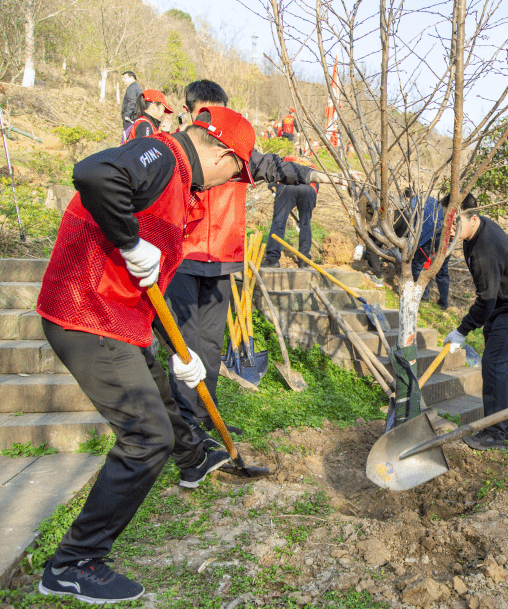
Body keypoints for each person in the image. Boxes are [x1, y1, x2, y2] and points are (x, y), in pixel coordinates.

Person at [34, 106, 256, 603]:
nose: (232, 182)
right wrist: (130, 241)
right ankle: (73, 563)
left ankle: (194, 459)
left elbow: (149, 280)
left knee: (165, 394)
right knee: (146, 435)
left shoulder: (181, 186)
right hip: (85, 312)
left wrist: (180, 351)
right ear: (222, 154)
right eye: (236, 172)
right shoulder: (162, 155)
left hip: (120, 316)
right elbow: (94, 173)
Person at [165, 80, 352, 443]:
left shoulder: (234, 147)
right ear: (189, 112)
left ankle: (208, 417)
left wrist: (315, 174)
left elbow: (271, 165)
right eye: (205, 113)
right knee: (186, 348)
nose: (212, 121)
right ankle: (184, 427)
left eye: (219, 113)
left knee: (209, 347)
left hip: (222, 259)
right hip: (183, 258)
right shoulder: (172, 150)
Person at [443, 192, 508, 450]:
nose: (449, 228)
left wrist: (462, 330)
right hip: (504, 304)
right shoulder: (474, 232)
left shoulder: (486, 247)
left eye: (454, 223)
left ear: (473, 218)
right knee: (504, 365)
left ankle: (494, 433)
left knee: (495, 363)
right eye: (446, 222)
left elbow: (485, 299)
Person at [263, 156, 319, 267]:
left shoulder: (287, 158)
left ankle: (272, 259)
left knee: (279, 222)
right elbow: (316, 187)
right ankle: (304, 261)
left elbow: (275, 171)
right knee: (305, 223)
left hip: (288, 185)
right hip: (309, 188)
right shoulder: (313, 166)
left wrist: (273, 187)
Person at [408, 188, 450, 309]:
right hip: (445, 234)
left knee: (417, 264)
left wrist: (415, 245)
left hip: (430, 236)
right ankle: (443, 303)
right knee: (443, 269)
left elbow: (415, 225)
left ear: (408, 198)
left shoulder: (413, 203)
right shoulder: (432, 200)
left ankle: (424, 295)